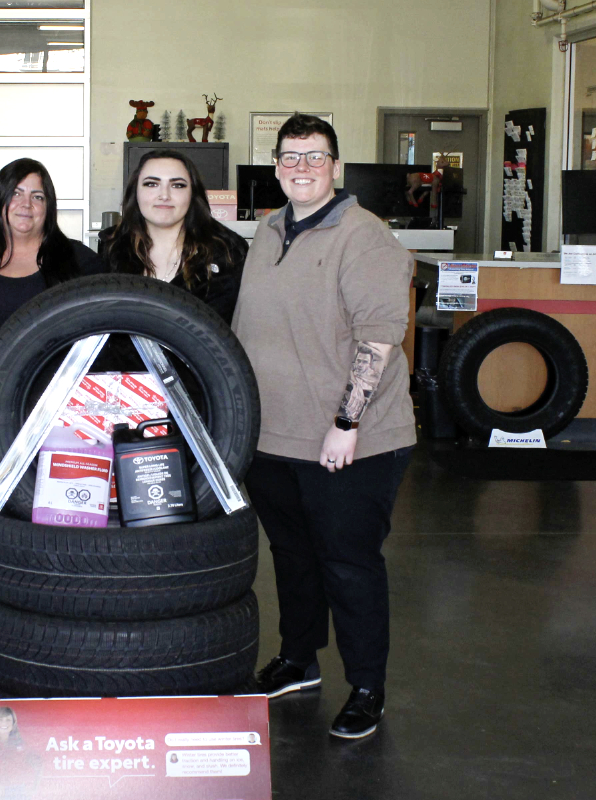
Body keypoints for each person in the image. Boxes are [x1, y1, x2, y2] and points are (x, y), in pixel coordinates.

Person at [233, 114, 416, 739]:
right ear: (276, 165)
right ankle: (298, 661)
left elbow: (379, 338)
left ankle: (367, 687)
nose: (302, 167)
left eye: (315, 156)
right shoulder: (267, 230)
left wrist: (346, 422)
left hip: (350, 440)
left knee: (348, 563)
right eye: (290, 156)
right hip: (273, 436)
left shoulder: (365, 237)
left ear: (336, 165)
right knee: (293, 557)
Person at [0, 158, 105, 496]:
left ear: (48, 206)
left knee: (50, 500)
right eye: (16, 193)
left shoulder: (76, 260)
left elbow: (108, 326)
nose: (25, 204)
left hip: (53, 407)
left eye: (37, 196)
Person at [99, 148, 247, 322]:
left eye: (177, 185)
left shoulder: (227, 253)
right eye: (151, 184)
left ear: (193, 193)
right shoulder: (112, 248)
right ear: (135, 191)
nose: (164, 195)